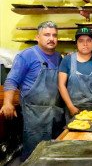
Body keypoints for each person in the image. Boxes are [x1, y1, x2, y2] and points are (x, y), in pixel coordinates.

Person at [0, 21, 65, 161]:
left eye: (54, 35)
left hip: (54, 113)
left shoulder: (59, 57)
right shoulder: (26, 56)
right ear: (37, 37)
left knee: (54, 154)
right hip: (35, 115)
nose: (51, 38)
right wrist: (7, 103)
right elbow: (11, 80)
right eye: (47, 35)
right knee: (34, 154)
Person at [58, 27, 92, 121]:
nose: (85, 44)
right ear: (76, 43)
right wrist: (70, 107)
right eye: (81, 41)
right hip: (74, 111)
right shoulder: (67, 60)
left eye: (89, 40)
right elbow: (61, 85)